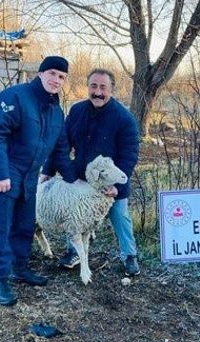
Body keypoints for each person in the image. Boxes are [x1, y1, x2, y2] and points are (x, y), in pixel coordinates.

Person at [0, 56, 76, 306]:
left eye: (61, 77)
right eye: (52, 73)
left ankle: (20, 268)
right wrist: (0, 174)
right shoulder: (14, 98)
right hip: (1, 173)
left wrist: (75, 181)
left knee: (24, 226)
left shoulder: (55, 113)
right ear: (40, 73)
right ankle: (0, 278)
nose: (56, 80)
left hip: (28, 176)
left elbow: (60, 152)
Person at [43, 68, 141, 276]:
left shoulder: (124, 119)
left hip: (110, 182)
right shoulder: (77, 111)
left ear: (111, 89)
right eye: (93, 86)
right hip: (80, 177)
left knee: (120, 215)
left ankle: (129, 255)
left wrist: (118, 186)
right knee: (72, 213)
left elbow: (129, 155)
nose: (97, 92)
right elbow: (61, 143)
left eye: (103, 87)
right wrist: (48, 170)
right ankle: (73, 252)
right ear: (87, 87)